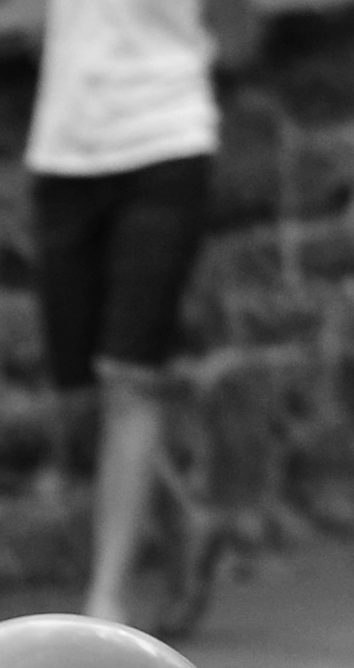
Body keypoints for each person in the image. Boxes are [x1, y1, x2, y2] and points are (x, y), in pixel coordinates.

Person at [26, 0, 252, 628]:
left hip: (164, 142)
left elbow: (241, 37)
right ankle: (184, 521)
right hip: (65, 149)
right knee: (79, 400)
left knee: (129, 376)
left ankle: (107, 600)